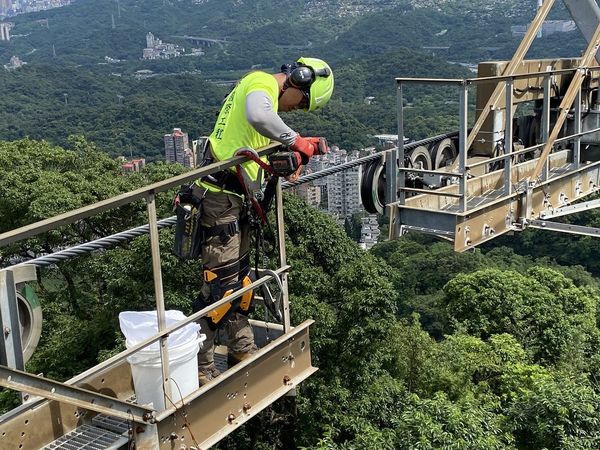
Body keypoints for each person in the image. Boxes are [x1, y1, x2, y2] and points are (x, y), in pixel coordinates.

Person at [192, 57, 334, 385]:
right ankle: (200, 363)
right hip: (219, 201)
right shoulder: (260, 83)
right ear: (299, 80)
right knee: (221, 285)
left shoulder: (264, 92)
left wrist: (289, 155)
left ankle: (241, 345)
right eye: (301, 103)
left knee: (240, 280)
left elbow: (253, 138)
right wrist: (296, 141)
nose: (294, 110)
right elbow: (259, 115)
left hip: (235, 199)